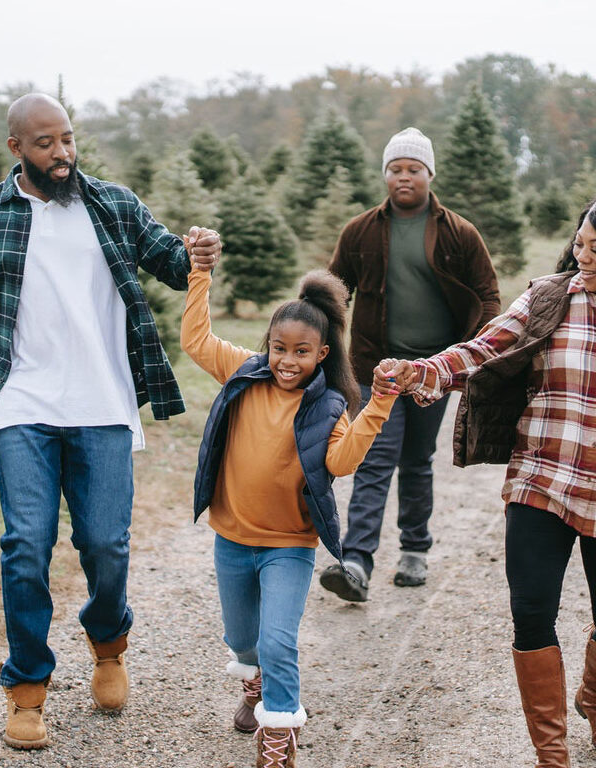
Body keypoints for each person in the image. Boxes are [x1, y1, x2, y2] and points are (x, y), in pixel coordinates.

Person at [374, 186, 596, 768]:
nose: (581, 256)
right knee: (532, 612)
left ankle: (594, 699)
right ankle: (551, 751)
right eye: (579, 244)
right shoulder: (550, 300)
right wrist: (418, 372)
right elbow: (479, 352)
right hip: (541, 480)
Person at [0, 93, 222, 750]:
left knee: (106, 547)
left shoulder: (110, 204)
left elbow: (169, 259)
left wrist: (197, 252)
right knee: (26, 547)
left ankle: (108, 644)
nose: (62, 153)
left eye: (68, 139)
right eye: (46, 143)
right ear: (16, 148)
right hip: (23, 403)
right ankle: (27, 690)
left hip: (102, 405)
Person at [181, 255, 397, 767]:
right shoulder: (243, 373)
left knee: (277, 641)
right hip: (232, 539)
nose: (287, 361)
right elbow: (195, 341)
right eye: (279, 348)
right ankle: (253, 685)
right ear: (267, 345)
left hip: (288, 547)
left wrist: (379, 403)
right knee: (242, 639)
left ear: (322, 353)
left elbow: (341, 462)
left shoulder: (327, 407)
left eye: (301, 352)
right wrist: (201, 274)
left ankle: (278, 733)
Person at [319, 127, 501, 602]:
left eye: (413, 169)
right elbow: (334, 294)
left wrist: (468, 354)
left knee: (418, 460)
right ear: (385, 175)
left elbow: (487, 295)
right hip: (375, 369)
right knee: (374, 459)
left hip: (432, 372)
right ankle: (355, 561)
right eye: (396, 169)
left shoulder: (458, 232)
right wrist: (318, 346)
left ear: (428, 174)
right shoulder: (360, 231)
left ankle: (414, 551)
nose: (404, 177)